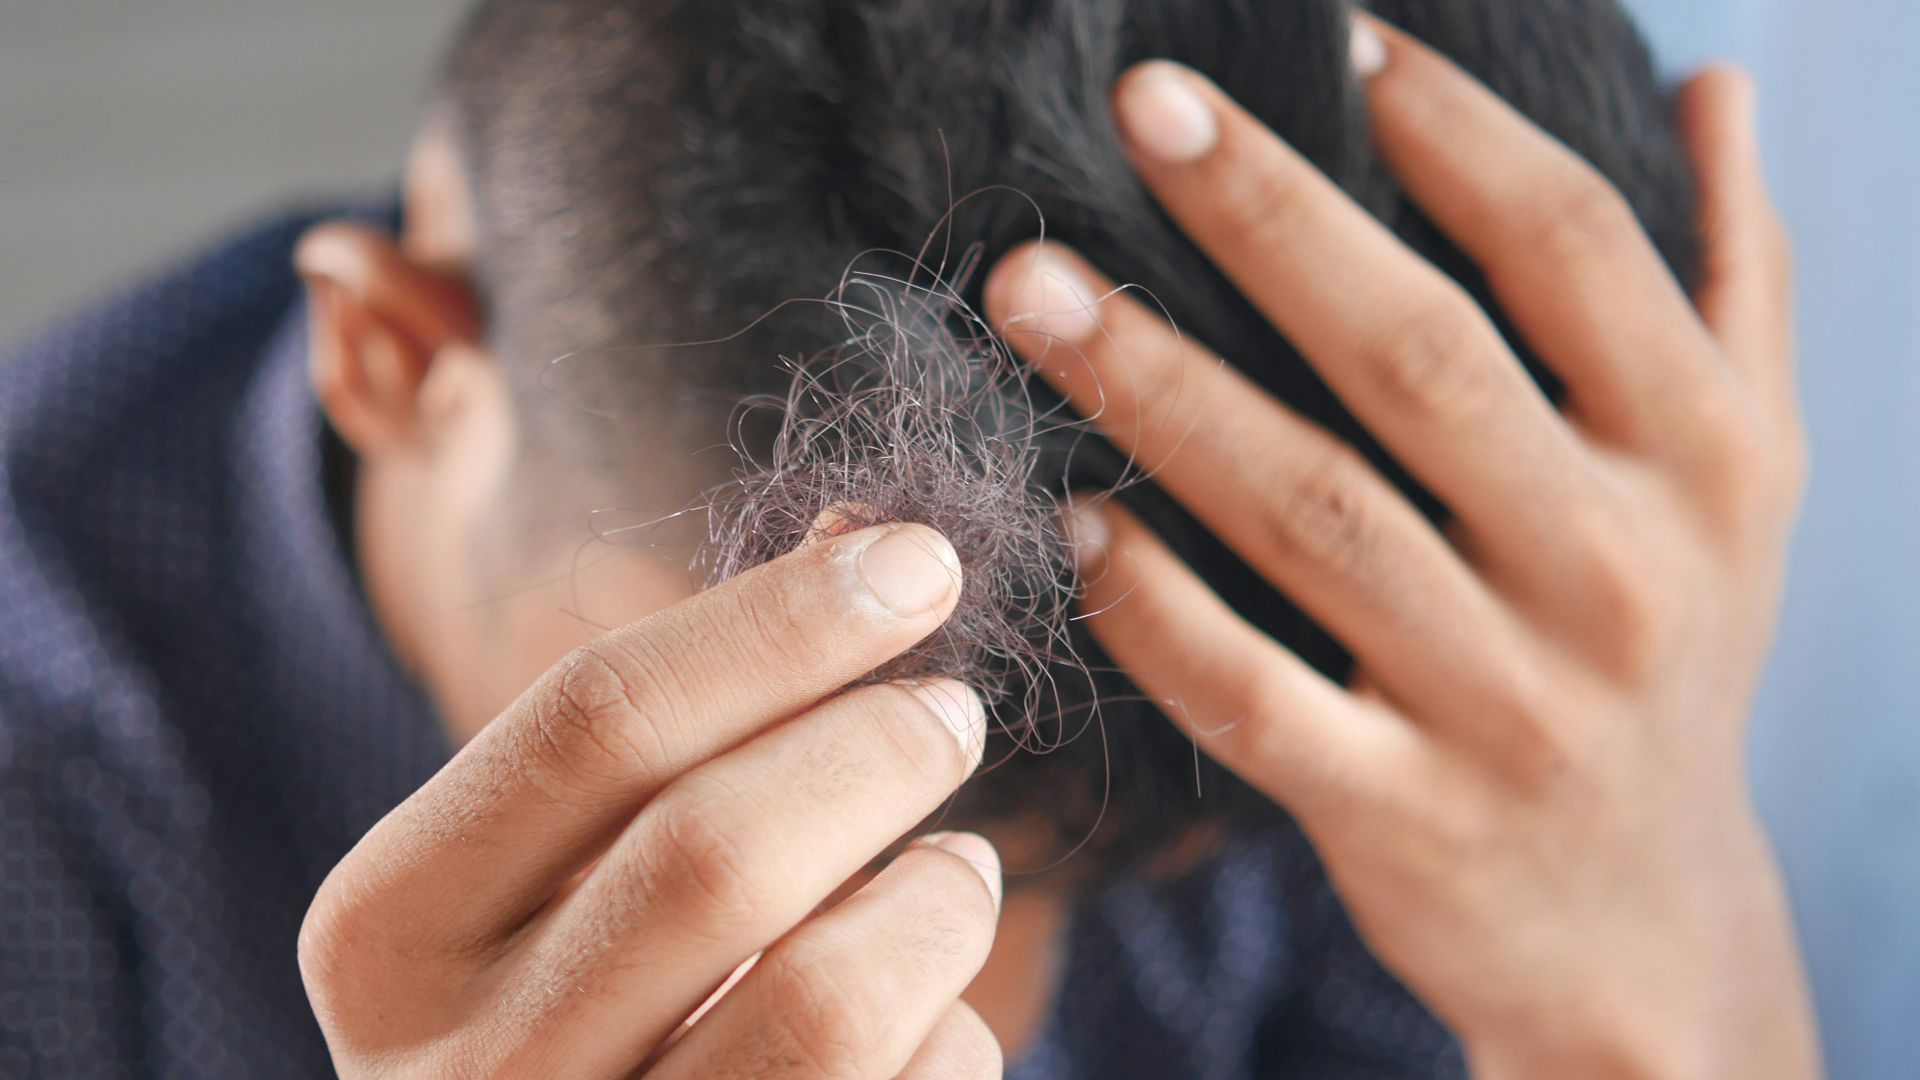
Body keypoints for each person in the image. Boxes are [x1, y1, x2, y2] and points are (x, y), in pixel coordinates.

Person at [0, 1, 1818, 1077]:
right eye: (762, 747)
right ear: (395, 356)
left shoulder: (1400, 668)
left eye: (1090, 874)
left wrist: (1675, 994)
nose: (964, 1034)